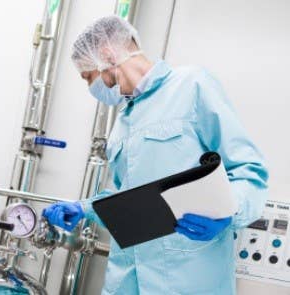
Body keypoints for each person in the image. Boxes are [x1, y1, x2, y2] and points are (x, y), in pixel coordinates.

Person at [43, 16, 269, 294]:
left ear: (106, 54)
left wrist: (229, 213)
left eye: (88, 76)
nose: (92, 87)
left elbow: (249, 169)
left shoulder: (192, 86)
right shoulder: (123, 121)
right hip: (126, 280)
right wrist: (84, 209)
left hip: (186, 281)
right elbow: (129, 199)